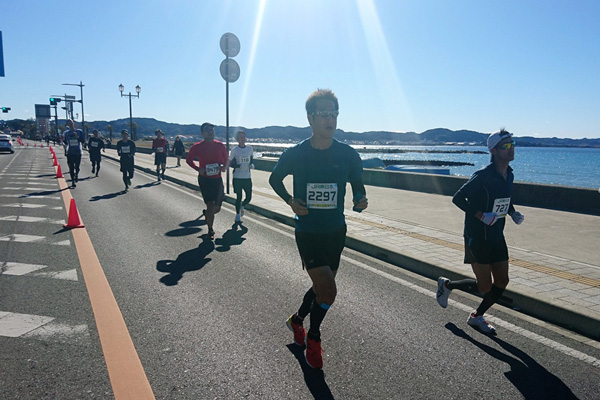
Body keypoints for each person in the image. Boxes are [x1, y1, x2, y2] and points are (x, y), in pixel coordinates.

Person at [269, 89, 368, 369]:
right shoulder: (297, 154)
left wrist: (361, 200)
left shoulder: (349, 155)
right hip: (308, 231)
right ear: (310, 118)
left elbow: (358, 188)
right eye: (323, 114)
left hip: (336, 231)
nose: (330, 119)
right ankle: (314, 337)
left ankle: (297, 320)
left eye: (333, 113)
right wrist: (290, 200)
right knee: (328, 291)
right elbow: (275, 179)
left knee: (321, 288)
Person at [436, 129, 525, 334]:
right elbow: (458, 198)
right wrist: (480, 215)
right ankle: (447, 285)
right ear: (493, 150)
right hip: (477, 236)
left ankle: (477, 316)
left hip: (496, 235)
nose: (511, 149)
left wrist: (512, 212)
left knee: (502, 281)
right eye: (506, 146)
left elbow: (504, 199)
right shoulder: (483, 175)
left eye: (513, 144)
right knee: (484, 286)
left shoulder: (509, 174)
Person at [186, 122, 228, 240]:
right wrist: (198, 169)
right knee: (210, 205)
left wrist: (224, 166)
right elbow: (189, 160)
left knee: (217, 208)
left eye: (212, 130)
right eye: (208, 130)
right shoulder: (197, 146)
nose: (211, 132)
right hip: (205, 180)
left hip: (217, 180)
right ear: (202, 133)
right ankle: (210, 229)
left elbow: (226, 159)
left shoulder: (220, 145)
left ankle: (208, 215)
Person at [229, 130, 254, 223]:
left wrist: (251, 165)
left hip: (247, 177)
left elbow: (251, 159)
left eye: (244, 137)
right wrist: (239, 166)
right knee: (238, 196)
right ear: (237, 139)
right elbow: (230, 163)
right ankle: (237, 215)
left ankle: (243, 206)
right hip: (237, 177)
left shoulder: (250, 149)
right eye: (241, 137)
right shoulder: (234, 150)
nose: (243, 139)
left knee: (249, 197)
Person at [63, 119, 86, 188]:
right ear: (67, 125)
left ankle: (76, 175)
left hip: (78, 152)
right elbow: (65, 143)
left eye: (71, 123)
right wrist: (63, 142)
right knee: (71, 167)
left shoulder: (79, 131)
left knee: (77, 167)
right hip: (70, 152)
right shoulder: (66, 133)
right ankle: (73, 181)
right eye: (68, 123)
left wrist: (77, 137)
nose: (70, 124)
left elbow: (82, 141)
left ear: (73, 123)